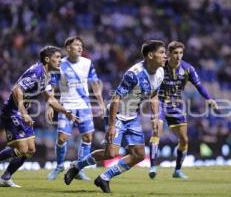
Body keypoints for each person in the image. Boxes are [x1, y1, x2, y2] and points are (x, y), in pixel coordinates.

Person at [63, 40, 167, 193]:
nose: (166, 56)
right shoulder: (134, 75)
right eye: (162, 53)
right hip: (116, 114)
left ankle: (104, 178)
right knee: (111, 153)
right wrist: (111, 126)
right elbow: (115, 99)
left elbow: (154, 95)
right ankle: (76, 166)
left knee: (139, 155)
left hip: (131, 116)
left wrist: (155, 117)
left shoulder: (160, 72)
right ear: (151, 55)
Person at [0, 46, 78, 187]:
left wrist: (66, 112)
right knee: (23, 149)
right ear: (47, 59)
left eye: (60, 57)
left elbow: (50, 99)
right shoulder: (37, 72)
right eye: (57, 57)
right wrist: (23, 113)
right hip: (12, 111)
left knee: (30, 150)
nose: (60, 60)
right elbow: (16, 90)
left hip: (22, 112)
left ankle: (5, 178)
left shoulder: (46, 75)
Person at [148, 41, 218, 179]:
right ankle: (153, 166)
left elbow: (199, 85)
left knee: (184, 139)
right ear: (169, 54)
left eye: (180, 53)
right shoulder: (160, 66)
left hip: (176, 105)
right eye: (175, 53)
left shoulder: (188, 69)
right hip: (160, 103)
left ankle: (177, 171)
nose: (178, 56)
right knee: (157, 131)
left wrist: (208, 98)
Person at [47, 36, 105, 181]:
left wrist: (101, 103)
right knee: (62, 137)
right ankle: (60, 166)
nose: (80, 47)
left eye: (81, 45)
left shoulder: (87, 63)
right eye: (76, 45)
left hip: (84, 105)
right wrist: (50, 105)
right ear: (68, 48)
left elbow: (94, 83)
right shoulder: (60, 64)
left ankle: (78, 169)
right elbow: (52, 86)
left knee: (87, 137)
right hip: (66, 105)